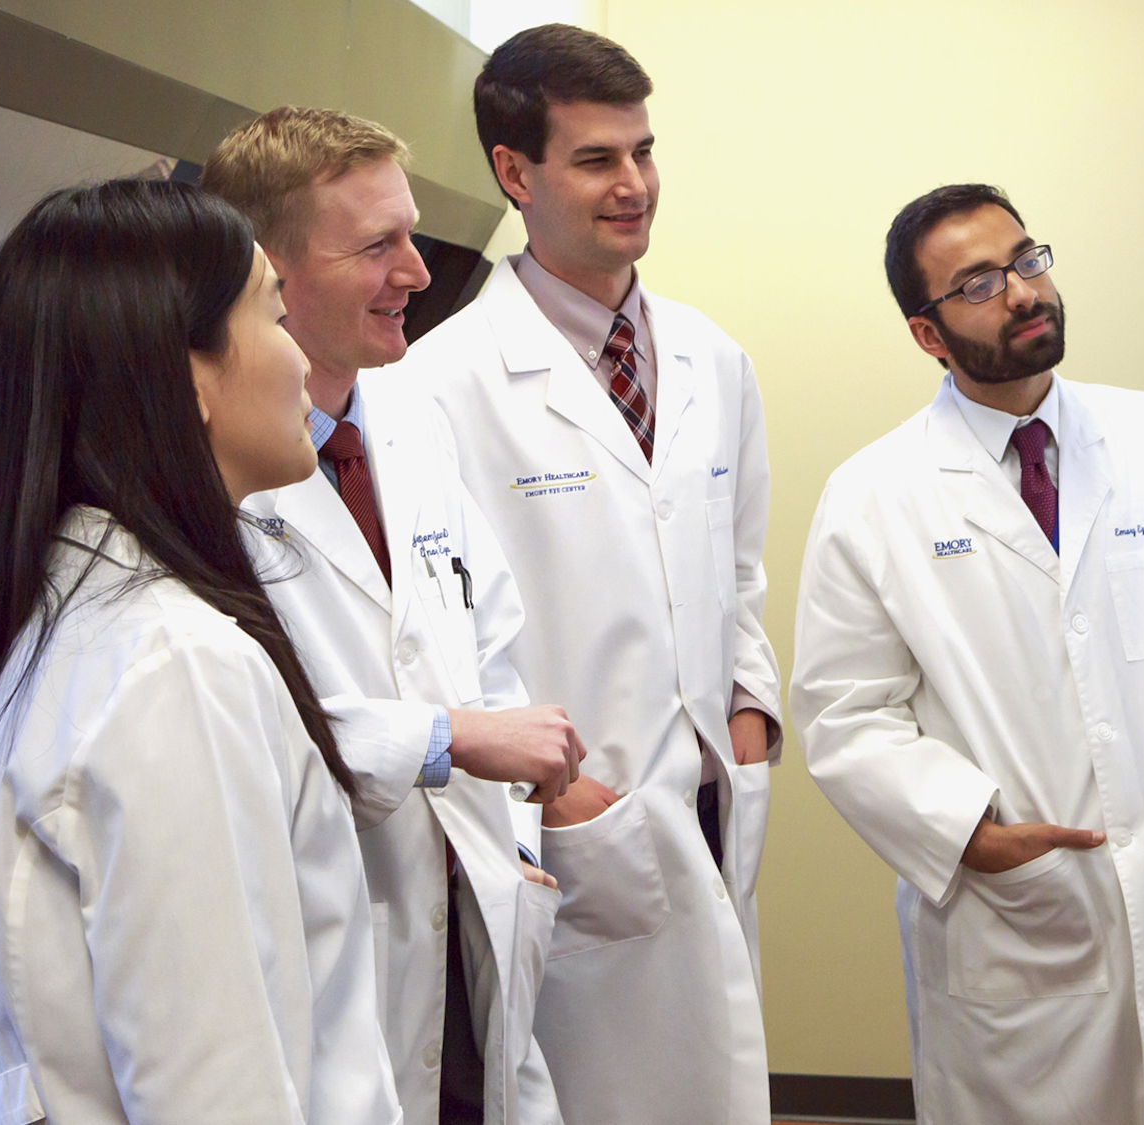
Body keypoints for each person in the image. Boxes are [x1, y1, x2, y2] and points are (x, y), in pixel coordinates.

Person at [791, 184, 1144, 1125]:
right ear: (927, 335)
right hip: (1012, 923)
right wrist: (970, 834)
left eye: (1027, 260)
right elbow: (845, 713)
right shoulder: (872, 495)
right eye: (979, 282)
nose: (1023, 292)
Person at [395, 25, 782, 1124]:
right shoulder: (442, 383)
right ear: (515, 173)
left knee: (717, 1074)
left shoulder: (714, 359)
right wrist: (561, 791)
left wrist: (748, 711)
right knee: (601, 1091)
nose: (635, 186)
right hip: (575, 817)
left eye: (643, 153)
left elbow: (737, 571)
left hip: (708, 793)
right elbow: (442, 632)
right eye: (597, 160)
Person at [0, 179, 399, 1123]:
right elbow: (216, 1096)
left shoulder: (66, 625)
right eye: (274, 316)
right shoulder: (173, 664)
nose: (299, 358)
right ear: (192, 375)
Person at [202, 107, 584, 1125]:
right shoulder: (209, 477)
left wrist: (514, 838)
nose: (417, 271)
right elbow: (232, 723)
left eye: (409, 234)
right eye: (378, 246)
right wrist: (445, 737)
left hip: (471, 918)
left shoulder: (411, 418)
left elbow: (483, 639)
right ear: (266, 271)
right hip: (334, 934)